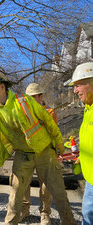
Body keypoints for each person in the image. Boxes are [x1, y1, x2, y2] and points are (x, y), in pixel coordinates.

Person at [0, 71, 76, 225]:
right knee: (16, 193)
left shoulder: (24, 101)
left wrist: (58, 143)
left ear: (3, 87)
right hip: (23, 155)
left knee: (59, 193)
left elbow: (48, 121)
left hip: (44, 152)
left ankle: (67, 221)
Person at [19, 83, 59, 224]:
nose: (30, 100)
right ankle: (24, 210)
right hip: (27, 153)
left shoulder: (49, 112)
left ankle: (45, 213)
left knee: (45, 185)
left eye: (34, 97)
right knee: (23, 183)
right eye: (28, 97)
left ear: (41, 96)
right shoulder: (23, 113)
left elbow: (54, 134)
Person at [69, 62, 93, 225]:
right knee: (87, 216)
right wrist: (82, 158)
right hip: (90, 177)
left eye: (78, 85)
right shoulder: (88, 108)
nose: (75, 91)